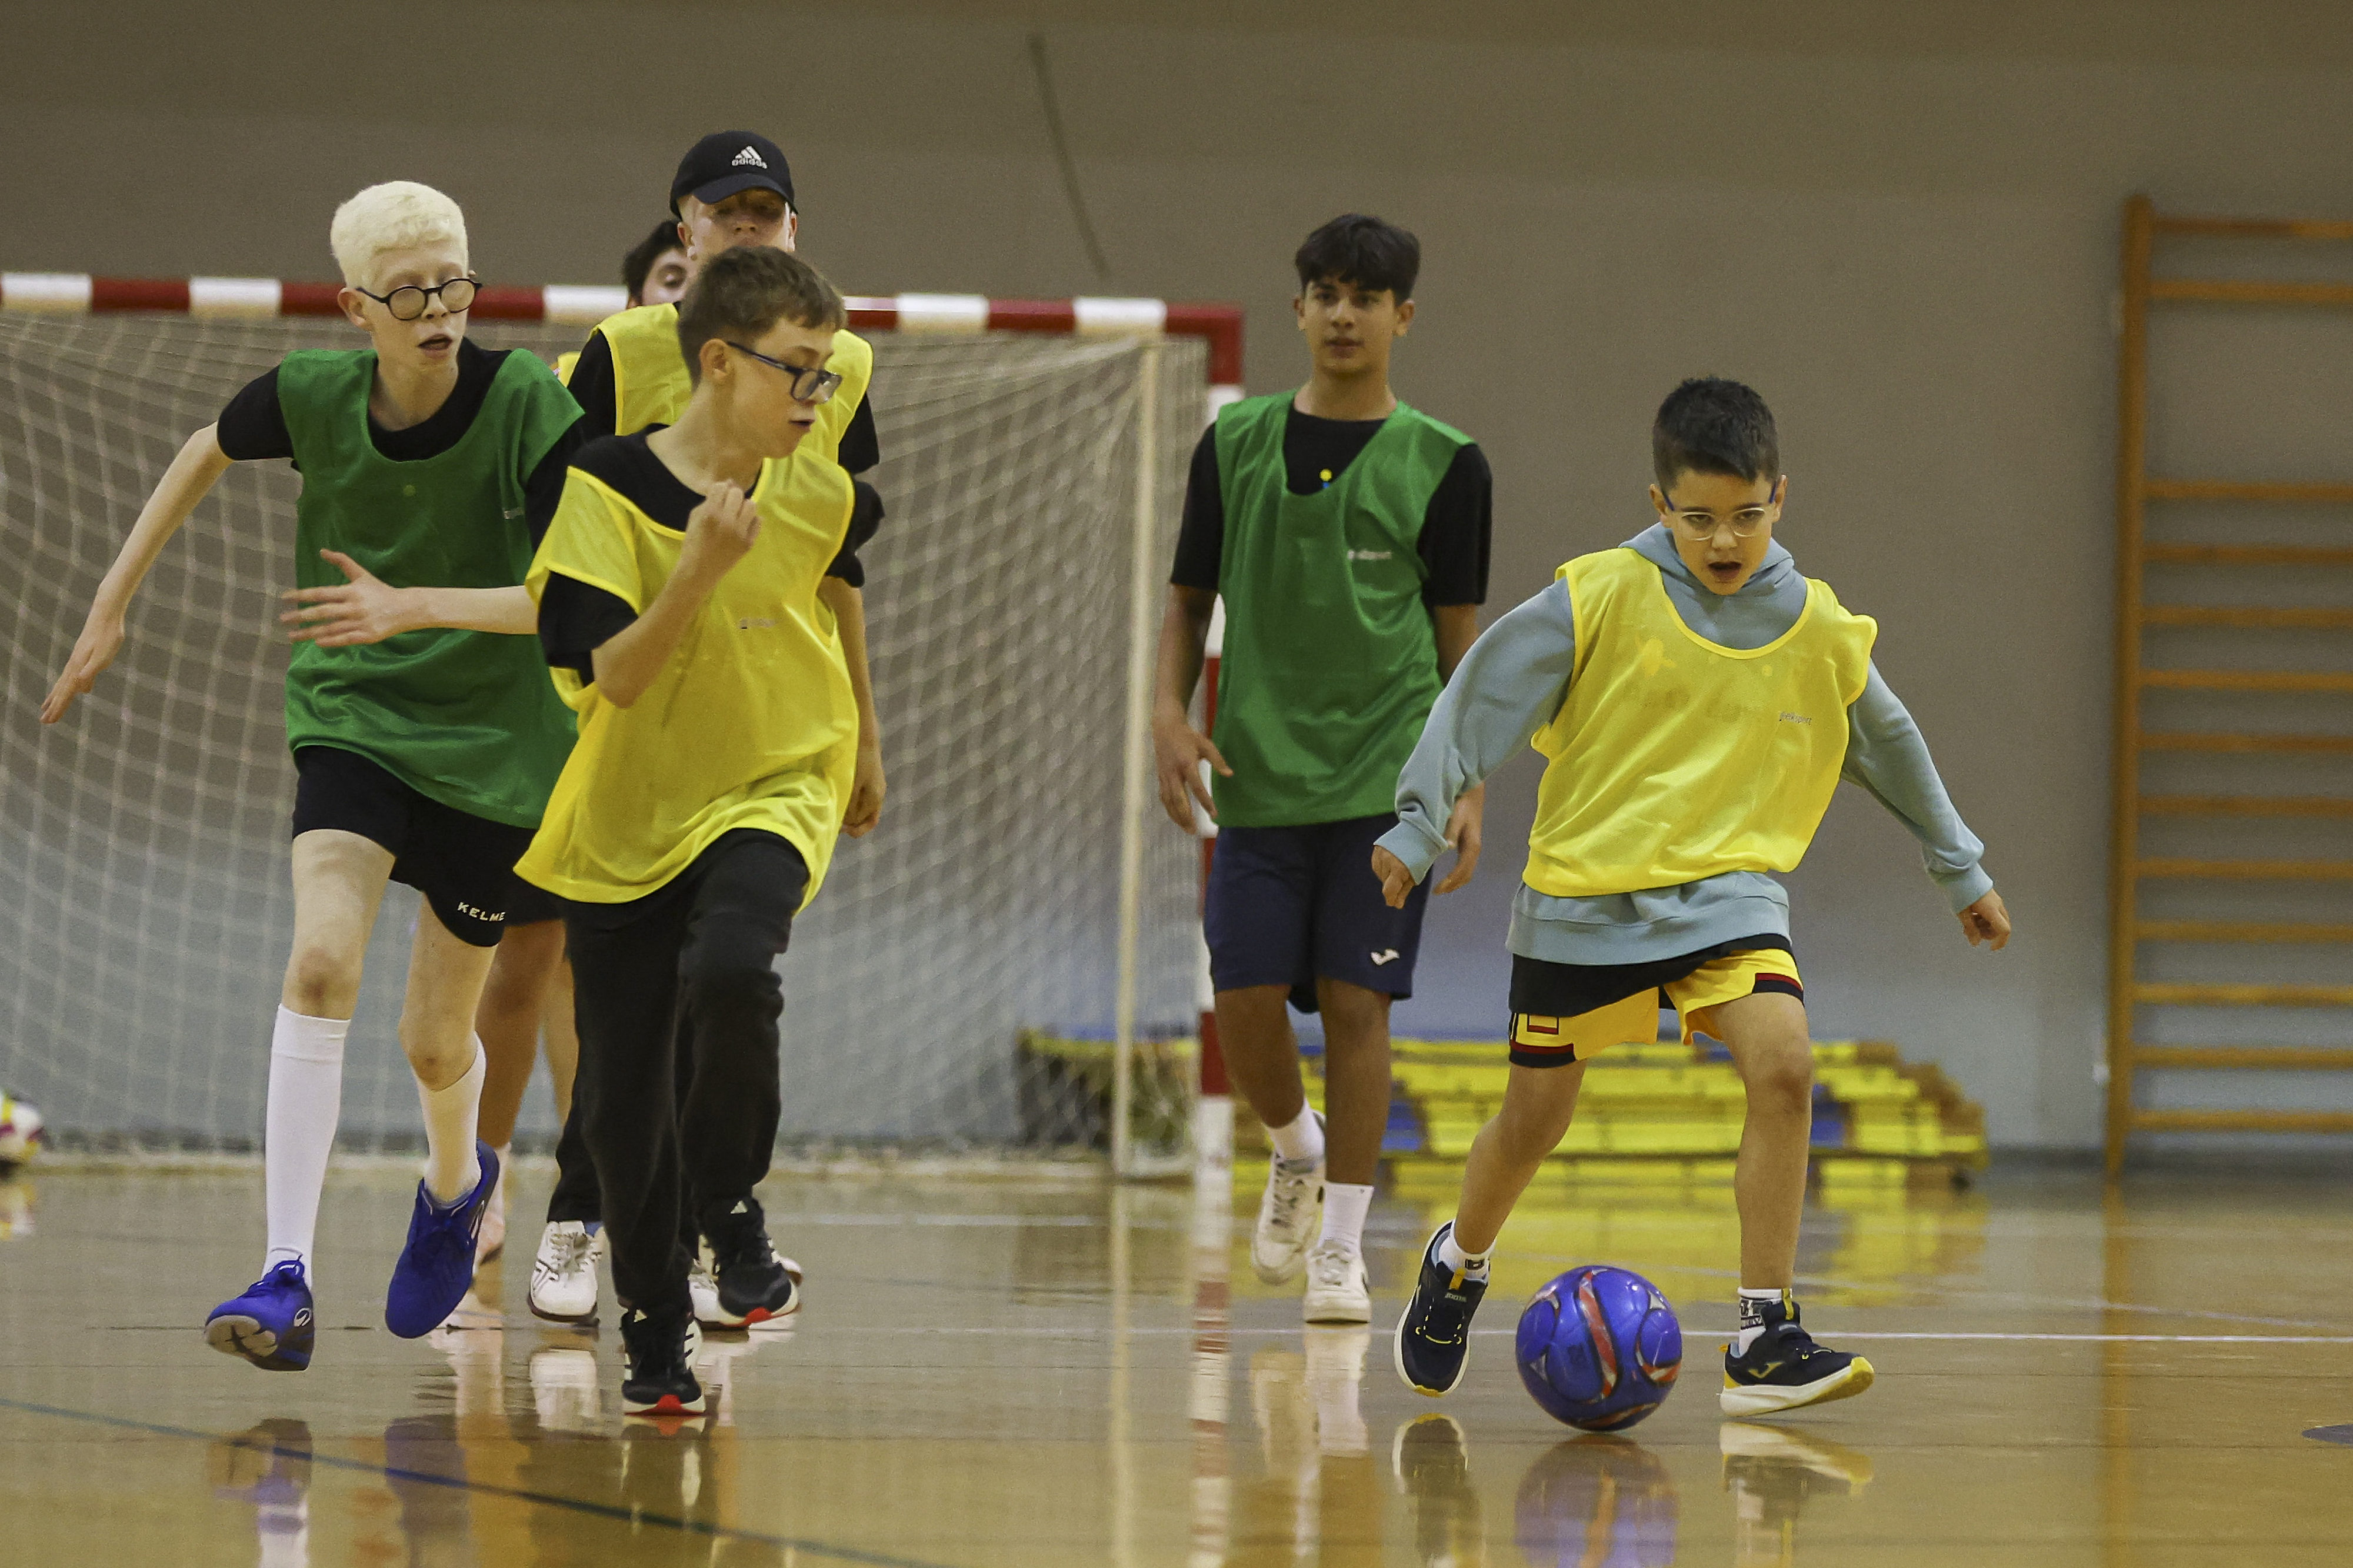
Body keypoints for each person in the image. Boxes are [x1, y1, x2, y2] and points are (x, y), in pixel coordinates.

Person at [1383, 377, 2011, 1416]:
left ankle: (1764, 1334)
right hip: (1586, 896)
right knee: (1532, 1122)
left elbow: (1887, 740)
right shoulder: (1598, 593)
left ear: (1781, 496)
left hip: (1728, 897)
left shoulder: (1813, 622)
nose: (1726, 540)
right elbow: (1478, 698)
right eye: (1701, 517)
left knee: (1787, 1064)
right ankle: (1459, 1261)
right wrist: (1418, 822)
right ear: (1660, 502)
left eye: (1748, 515)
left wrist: (1960, 866)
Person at [41, 181, 587, 1369]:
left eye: (452, 283)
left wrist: (413, 605)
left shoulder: (526, 403)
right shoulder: (308, 396)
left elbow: (573, 597)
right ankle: (284, 1271)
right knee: (322, 960)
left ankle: (457, 1182)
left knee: (434, 1042)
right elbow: (203, 447)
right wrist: (109, 603)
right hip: (355, 718)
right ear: (356, 308)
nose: (437, 309)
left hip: (498, 747)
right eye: (408, 293)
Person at [527, 129, 887, 1328]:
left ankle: (715, 1213)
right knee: (615, 1012)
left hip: (768, 734)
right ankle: (584, 1209)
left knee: (723, 973)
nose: (746, 225)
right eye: (725, 209)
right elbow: (563, 552)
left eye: (765, 210)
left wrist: (867, 732)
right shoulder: (617, 360)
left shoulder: (837, 370)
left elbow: (834, 562)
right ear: (682, 227)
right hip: (631, 715)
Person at [1152, 214, 1493, 1325]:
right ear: (1299, 308)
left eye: (1368, 296)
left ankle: (1342, 1245)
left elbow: (1459, 641)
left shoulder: (1448, 464)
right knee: (1243, 998)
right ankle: (1293, 1145)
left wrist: (1468, 782)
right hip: (1259, 773)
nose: (1345, 314)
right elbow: (1187, 599)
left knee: (1358, 1004)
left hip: (1388, 785)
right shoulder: (1234, 445)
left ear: (1404, 316)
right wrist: (1167, 710)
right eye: (1327, 293)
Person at [550, 222, 689, 383]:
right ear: (634, 304)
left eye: (704, 284)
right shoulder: (570, 377)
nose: (688, 295)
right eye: (672, 281)